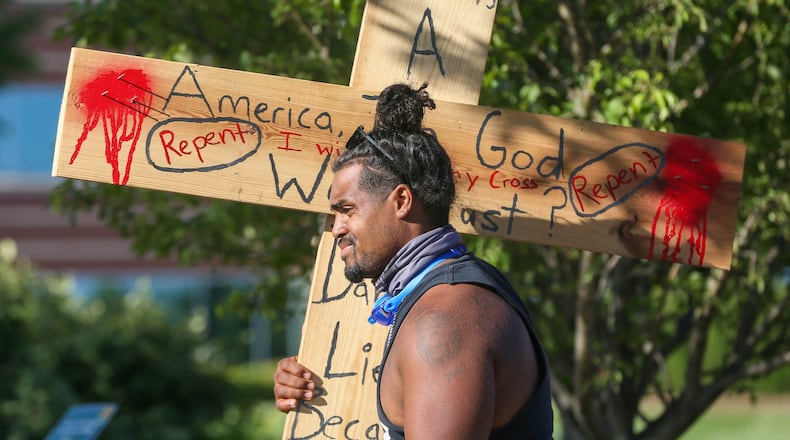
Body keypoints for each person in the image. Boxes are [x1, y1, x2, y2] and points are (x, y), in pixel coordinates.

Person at [273, 83, 553, 439]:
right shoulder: (435, 297)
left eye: (347, 210)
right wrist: (308, 388)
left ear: (402, 200)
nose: (336, 230)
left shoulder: (443, 322)